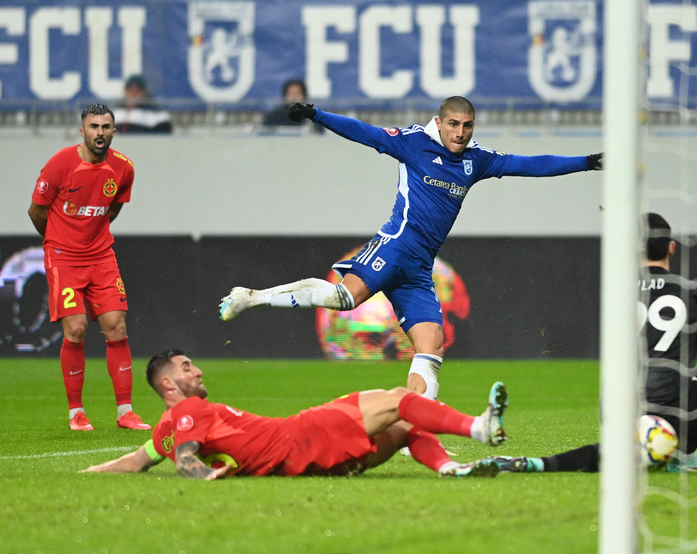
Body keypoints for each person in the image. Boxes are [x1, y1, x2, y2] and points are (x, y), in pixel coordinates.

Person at [219, 96, 602, 400]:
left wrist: (587, 162)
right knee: (344, 298)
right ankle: (251, 297)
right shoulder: (414, 143)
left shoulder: (477, 160)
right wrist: (318, 115)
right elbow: (365, 132)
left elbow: (530, 164)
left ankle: (416, 431)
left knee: (431, 346)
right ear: (440, 122)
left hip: (419, 268)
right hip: (396, 245)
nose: (461, 132)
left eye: (467, 126)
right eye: (453, 124)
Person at [479, 213, 697, 474]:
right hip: (670, 409)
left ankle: (542, 463)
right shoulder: (694, 291)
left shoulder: (617, 290)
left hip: (616, 408)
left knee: (617, 448)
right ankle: (685, 453)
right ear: (673, 248)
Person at [80, 349, 509, 478]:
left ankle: (450, 468)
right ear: (168, 385)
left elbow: (137, 462)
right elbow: (188, 456)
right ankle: (478, 427)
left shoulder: (165, 430)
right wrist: (196, 472)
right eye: (187, 367)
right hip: (303, 435)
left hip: (310, 463)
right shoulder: (190, 410)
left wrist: (88, 473)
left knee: (400, 428)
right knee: (398, 397)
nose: (199, 370)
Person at [27, 104, 151, 432]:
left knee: (117, 325)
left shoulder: (123, 168)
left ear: (113, 131)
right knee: (77, 328)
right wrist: (58, 241)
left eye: (106, 126)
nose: (100, 132)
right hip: (64, 258)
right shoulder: (60, 164)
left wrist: (92, 236)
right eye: (94, 126)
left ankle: (126, 412)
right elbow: (36, 211)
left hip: (101, 256)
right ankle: (76, 412)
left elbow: (113, 209)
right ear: (82, 131)